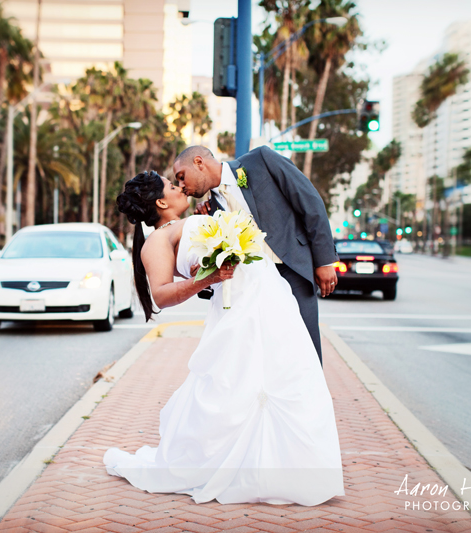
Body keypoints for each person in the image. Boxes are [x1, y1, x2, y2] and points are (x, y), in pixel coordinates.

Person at [102, 170, 344, 506]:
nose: (180, 187)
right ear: (160, 201)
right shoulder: (157, 241)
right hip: (238, 313)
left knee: (290, 376)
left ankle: (295, 471)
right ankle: (242, 470)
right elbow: (161, 294)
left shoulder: (195, 219)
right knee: (241, 385)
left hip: (271, 301)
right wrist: (210, 276)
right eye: (172, 186)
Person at [173, 145, 337, 365]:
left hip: (292, 270)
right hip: (253, 287)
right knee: (267, 357)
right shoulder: (209, 211)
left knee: (306, 349)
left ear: (199, 162)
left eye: (181, 177)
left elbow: (309, 201)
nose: (182, 187)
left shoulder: (261, 160)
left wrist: (324, 261)